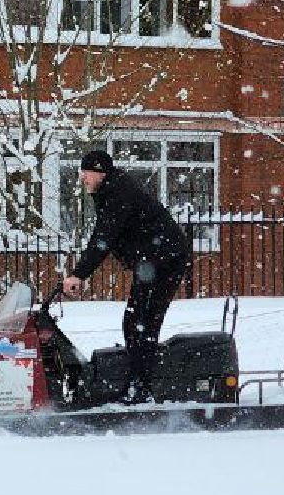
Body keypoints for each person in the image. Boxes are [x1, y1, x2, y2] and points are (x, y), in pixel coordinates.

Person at [61, 147, 192, 404]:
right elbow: (106, 236)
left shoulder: (118, 193)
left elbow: (103, 238)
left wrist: (79, 274)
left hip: (163, 259)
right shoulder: (111, 191)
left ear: (100, 173)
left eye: (86, 173)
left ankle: (140, 389)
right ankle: (137, 385)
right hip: (154, 259)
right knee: (136, 322)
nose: (82, 179)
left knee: (141, 322)